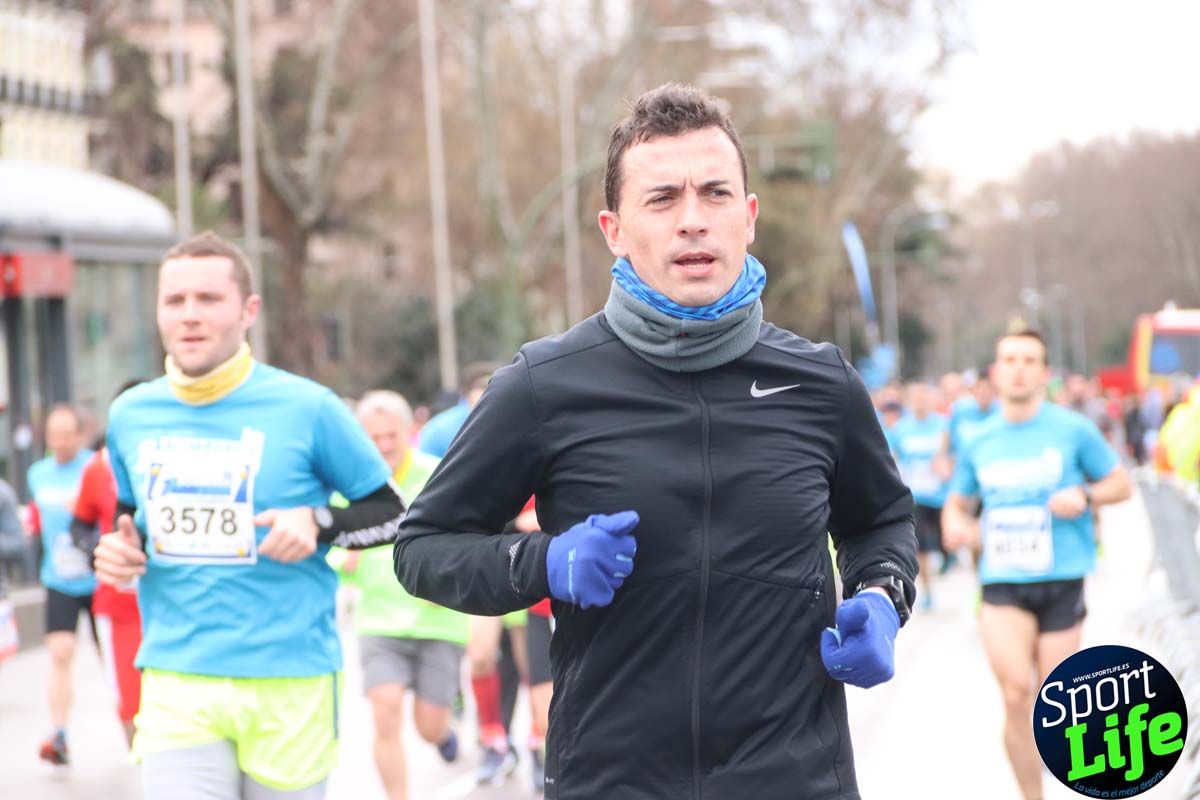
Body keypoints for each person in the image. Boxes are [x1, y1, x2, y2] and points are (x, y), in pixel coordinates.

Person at [395, 83, 917, 799]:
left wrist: (883, 595)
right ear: (614, 228)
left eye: (715, 194)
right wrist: (542, 563)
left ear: (749, 216)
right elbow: (423, 549)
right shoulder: (544, 385)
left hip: (794, 777)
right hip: (611, 781)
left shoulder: (820, 384)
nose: (693, 221)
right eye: (662, 198)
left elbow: (881, 519)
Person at [92, 231, 405, 800]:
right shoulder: (130, 414)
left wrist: (318, 524)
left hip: (290, 682)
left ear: (248, 310)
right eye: (175, 300)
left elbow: (393, 512)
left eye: (208, 299)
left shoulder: (310, 408)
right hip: (177, 680)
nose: (189, 315)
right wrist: (117, 547)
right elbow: (127, 514)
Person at [942, 328, 1132, 800]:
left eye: (1029, 360)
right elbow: (957, 502)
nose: (1019, 367)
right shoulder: (979, 438)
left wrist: (1084, 495)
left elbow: (1121, 484)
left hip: (1062, 579)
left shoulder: (1073, 429)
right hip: (1004, 583)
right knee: (1014, 693)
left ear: (1044, 374)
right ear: (995, 371)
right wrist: (955, 525)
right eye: (1010, 359)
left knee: (1056, 700)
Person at [327, 390, 466, 800]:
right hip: (380, 619)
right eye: (374, 438)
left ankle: (443, 734)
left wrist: (446, 580)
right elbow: (332, 542)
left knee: (428, 725)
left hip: (438, 618)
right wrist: (343, 562)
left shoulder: (437, 474)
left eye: (392, 435)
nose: (384, 446)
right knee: (384, 708)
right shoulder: (354, 484)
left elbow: (465, 534)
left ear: (410, 432)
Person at [70, 379, 146, 748]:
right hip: (120, 605)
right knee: (130, 701)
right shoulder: (98, 469)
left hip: (179, 599)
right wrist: (99, 550)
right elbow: (79, 524)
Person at [29, 404, 95, 766]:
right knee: (60, 651)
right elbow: (37, 520)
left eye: (66, 436)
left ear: (78, 434)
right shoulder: (38, 473)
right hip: (59, 577)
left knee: (116, 659)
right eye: (53, 437)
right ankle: (60, 733)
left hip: (100, 577)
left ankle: (136, 730)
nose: (60, 443)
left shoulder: (93, 467)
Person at [887, 382, 951, 608]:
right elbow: (892, 458)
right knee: (920, 546)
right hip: (916, 495)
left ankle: (949, 557)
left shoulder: (943, 425)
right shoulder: (900, 429)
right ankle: (928, 592)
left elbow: (954, 456)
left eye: (924, 398)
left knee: (947, 542)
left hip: (942, 496)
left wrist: (947, 466)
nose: (920, 402)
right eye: (915, 398)